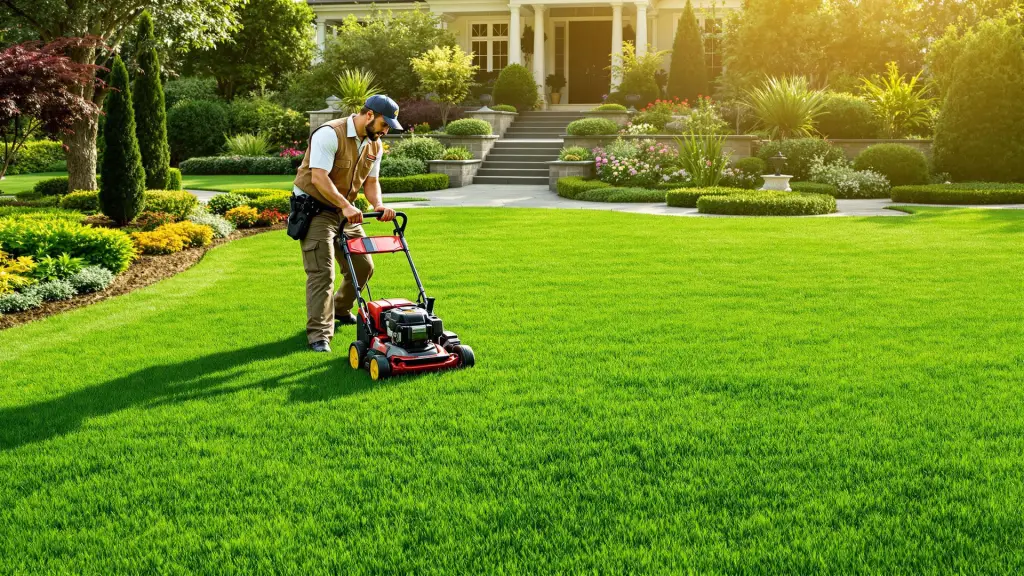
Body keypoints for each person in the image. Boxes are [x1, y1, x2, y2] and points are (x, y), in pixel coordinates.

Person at [292, 95, 401, 352]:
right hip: (315, 210)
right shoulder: (330, 134)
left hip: (346, 211)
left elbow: (371, 182)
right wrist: (344, 205)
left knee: (363, 266)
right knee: (322, 273)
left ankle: (341, 309)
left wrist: (378, 205)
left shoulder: (375, 145)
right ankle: (319, 335)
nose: (386, 131)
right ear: (370, 115)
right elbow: (318, 177)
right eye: (385, 124)